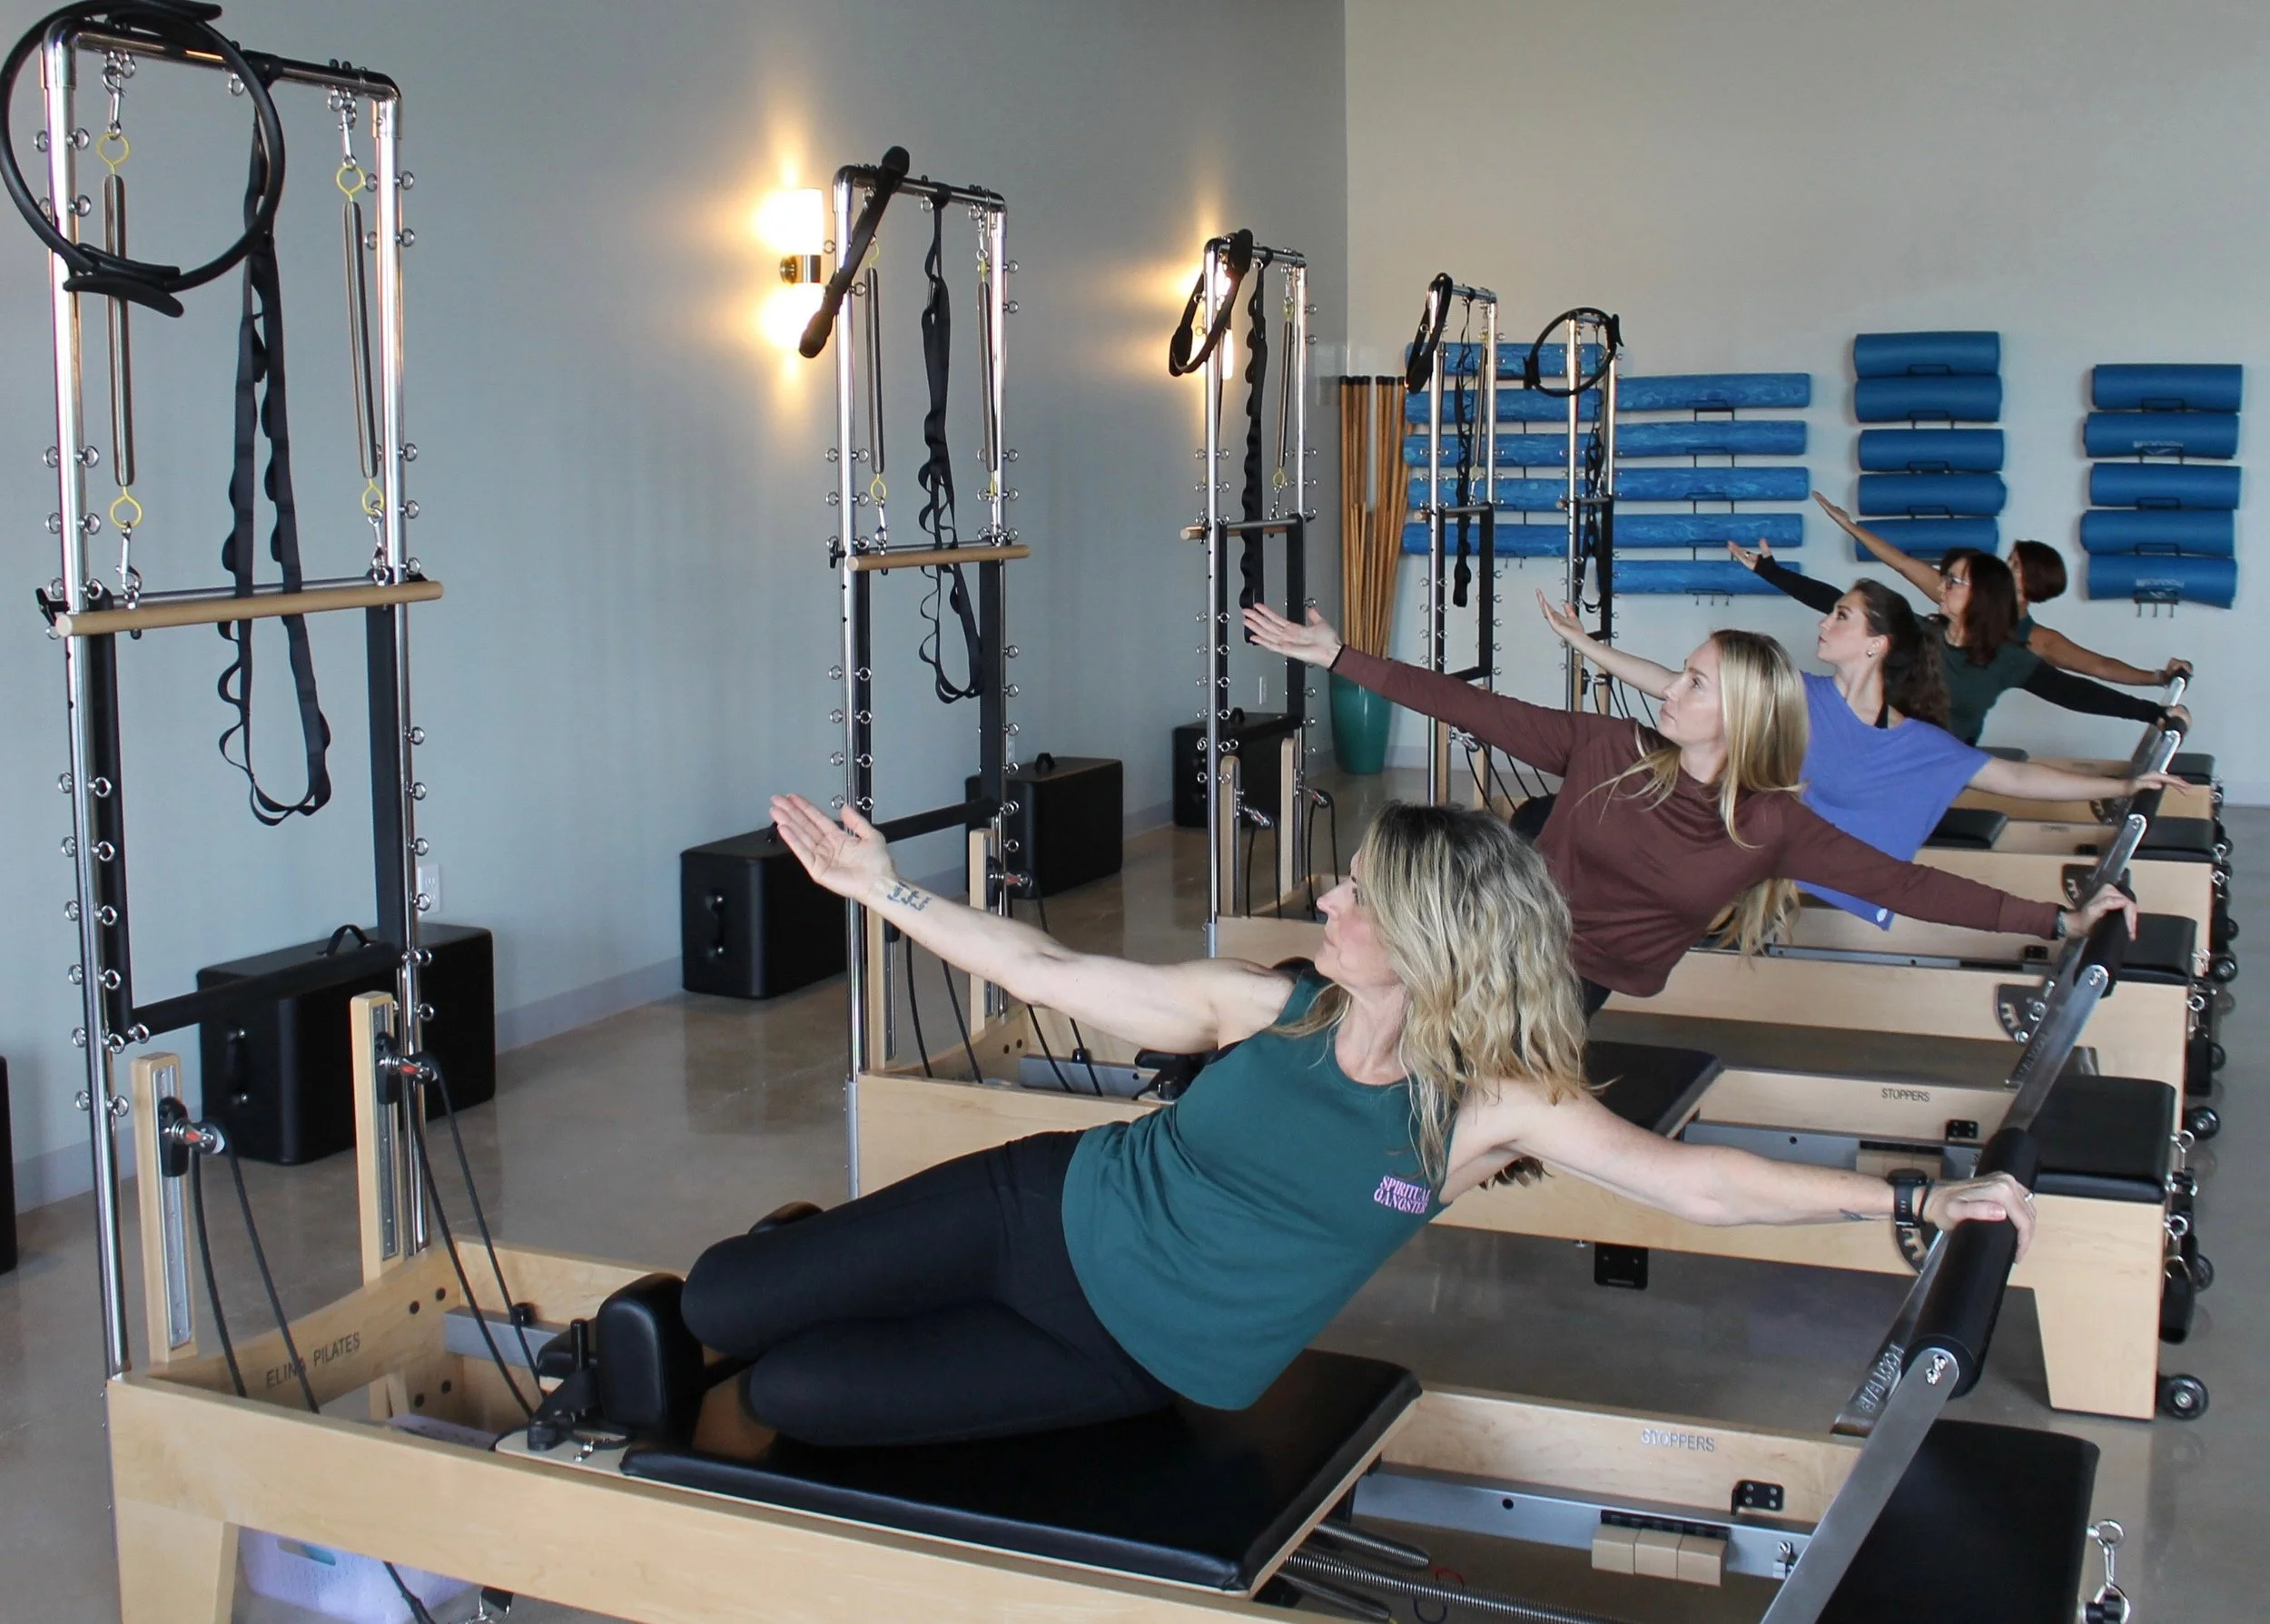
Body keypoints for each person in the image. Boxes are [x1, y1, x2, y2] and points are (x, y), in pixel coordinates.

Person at [676, 792, 2038, 1450]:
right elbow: (1043, 969)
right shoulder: (1267, 1009)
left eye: (1353, 897)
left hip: (1140, 1351)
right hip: (1036, 1208)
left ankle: (833, 1288)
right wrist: (881, 889)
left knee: (793, 1395)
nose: (1325, 904)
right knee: (722, 1300)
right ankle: (809, 1262)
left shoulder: (1493, 1103)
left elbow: (1693, 1187)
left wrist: (1913, 1201)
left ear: (1427, 937)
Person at [1242, 601, 2135, 1010]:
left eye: (1694, 682)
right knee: (1326, 999)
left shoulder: (1774, 823)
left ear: (1738, 712)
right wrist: (1337, 657)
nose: (1672, 689)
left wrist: (2057, 915)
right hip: (1490, 940)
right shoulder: (1604, 747)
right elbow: (1475, 707)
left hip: (1563, 991)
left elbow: (1907, 885)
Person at [1534, 589, 2175, 927]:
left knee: (1548, 823)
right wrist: (1585, 644)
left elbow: (2012, 777)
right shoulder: (1796, 694)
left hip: (1778, 881)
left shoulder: (1917, 741)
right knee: (1544, 815)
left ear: (1875, 644)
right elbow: (1671, 682)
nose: (1824, 622)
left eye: (1841, 614)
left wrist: (2122, 785)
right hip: (1734, 850)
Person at [1811, 491, 2190, 692]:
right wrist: (1850, 526)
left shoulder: (2038, 639)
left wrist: (2158, 677)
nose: (2003, 569)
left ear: (2031, 585)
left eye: (2014, 567)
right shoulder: (1960, 598)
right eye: (2008, 561)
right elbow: (1904, 564)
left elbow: (2099, 667)